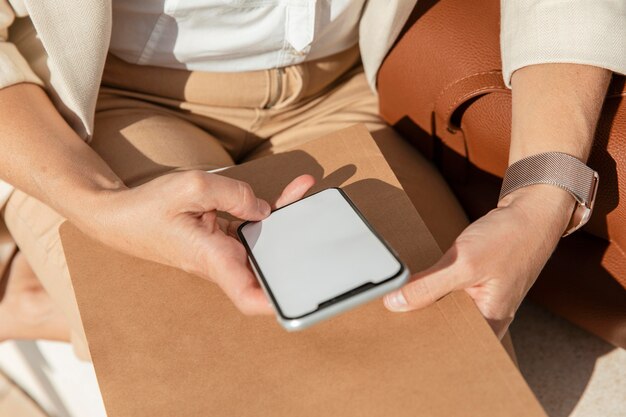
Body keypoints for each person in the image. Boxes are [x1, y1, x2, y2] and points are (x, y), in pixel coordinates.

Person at [0, 0, 623, 361]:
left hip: (344, 82)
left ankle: (42, 297)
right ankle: (40, 290)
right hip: (107, 96)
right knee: (221, 360)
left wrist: (544, 190)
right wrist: (96, 203)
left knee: (446, 361)